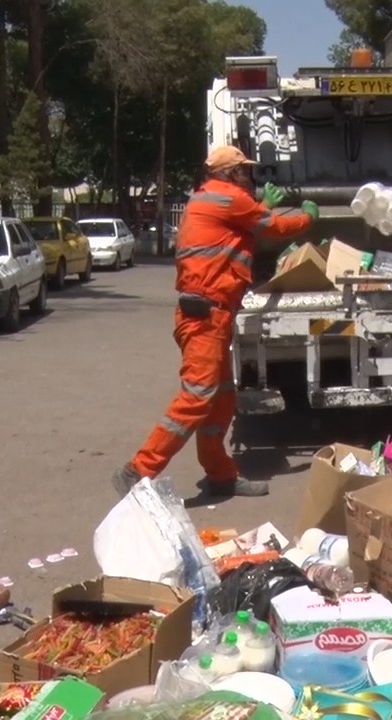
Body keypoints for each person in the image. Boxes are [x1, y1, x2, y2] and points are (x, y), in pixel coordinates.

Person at [112, 145, 318, 498]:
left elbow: (241, 229)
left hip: (211, 315)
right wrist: (308, 216)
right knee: (197, 397)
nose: (248, 176)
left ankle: (221, 475)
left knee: (221, 399)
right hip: (206, 316)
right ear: (229, 174)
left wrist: (263, 205)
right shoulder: (227, 198)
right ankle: (138, 470)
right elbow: (274, 227)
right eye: (243, 170)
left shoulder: (214, 199)